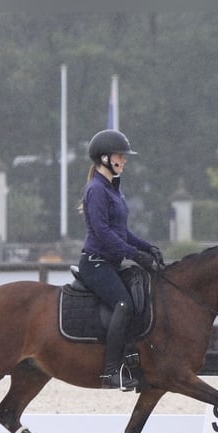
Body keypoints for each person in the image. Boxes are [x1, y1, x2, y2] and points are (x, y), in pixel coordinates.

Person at [78, 129, 165, 391]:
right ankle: (109, 372)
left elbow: (122, 231)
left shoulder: (113, 189)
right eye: (120, 156)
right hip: (95, 262)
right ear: (104, 158)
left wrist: (147, 247)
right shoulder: (96, 190)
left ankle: (133, 360)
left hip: (111, 262)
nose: (124, 161)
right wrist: (133, 254)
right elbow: (103, 234)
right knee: (124, 303)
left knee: (140, 297)